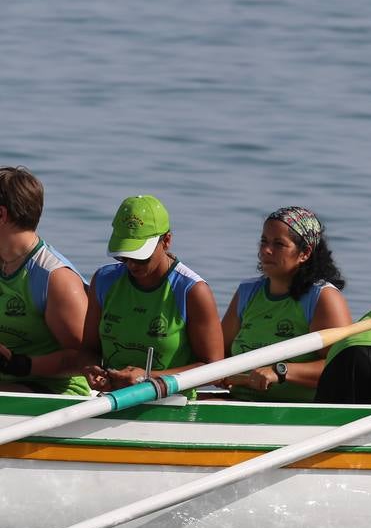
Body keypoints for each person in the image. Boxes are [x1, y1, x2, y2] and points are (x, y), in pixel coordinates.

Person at [78, 195, 223, 391]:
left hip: (171, 403)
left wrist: (148, 378)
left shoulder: (193, 291)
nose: (131, 264)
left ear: (167, 241)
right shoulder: (104, 280)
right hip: (110, 399)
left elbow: (214, 370)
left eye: (140, 257)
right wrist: (91, 368)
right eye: (124, 256)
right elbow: (88, 351)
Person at [219, 207, 352, 401]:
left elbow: (341, 370)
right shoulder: (247, 292)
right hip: (239, 401)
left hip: (295, 412)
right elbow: (218, 353)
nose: (266, 250)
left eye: (279, 244)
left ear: (304, 253)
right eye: (264, 241)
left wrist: (281, 371)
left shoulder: (323, 298)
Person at [0, 166, 90, 395]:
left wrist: (17, 364)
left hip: (53, 393)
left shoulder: (56, 279)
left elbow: (86, 358)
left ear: (1, 215)